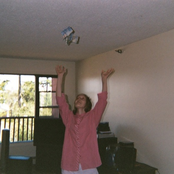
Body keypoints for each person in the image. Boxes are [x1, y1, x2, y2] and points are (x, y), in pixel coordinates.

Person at [55, 65, 114, 174]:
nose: (78, 99)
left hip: (88, 163)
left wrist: (104, 80)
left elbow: (102, 101)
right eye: (77, 98)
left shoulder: (92, 117)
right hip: (69, 162)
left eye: (82, 98)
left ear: (87, 104)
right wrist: (60, 77)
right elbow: (60, 101)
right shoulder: (69, 118)